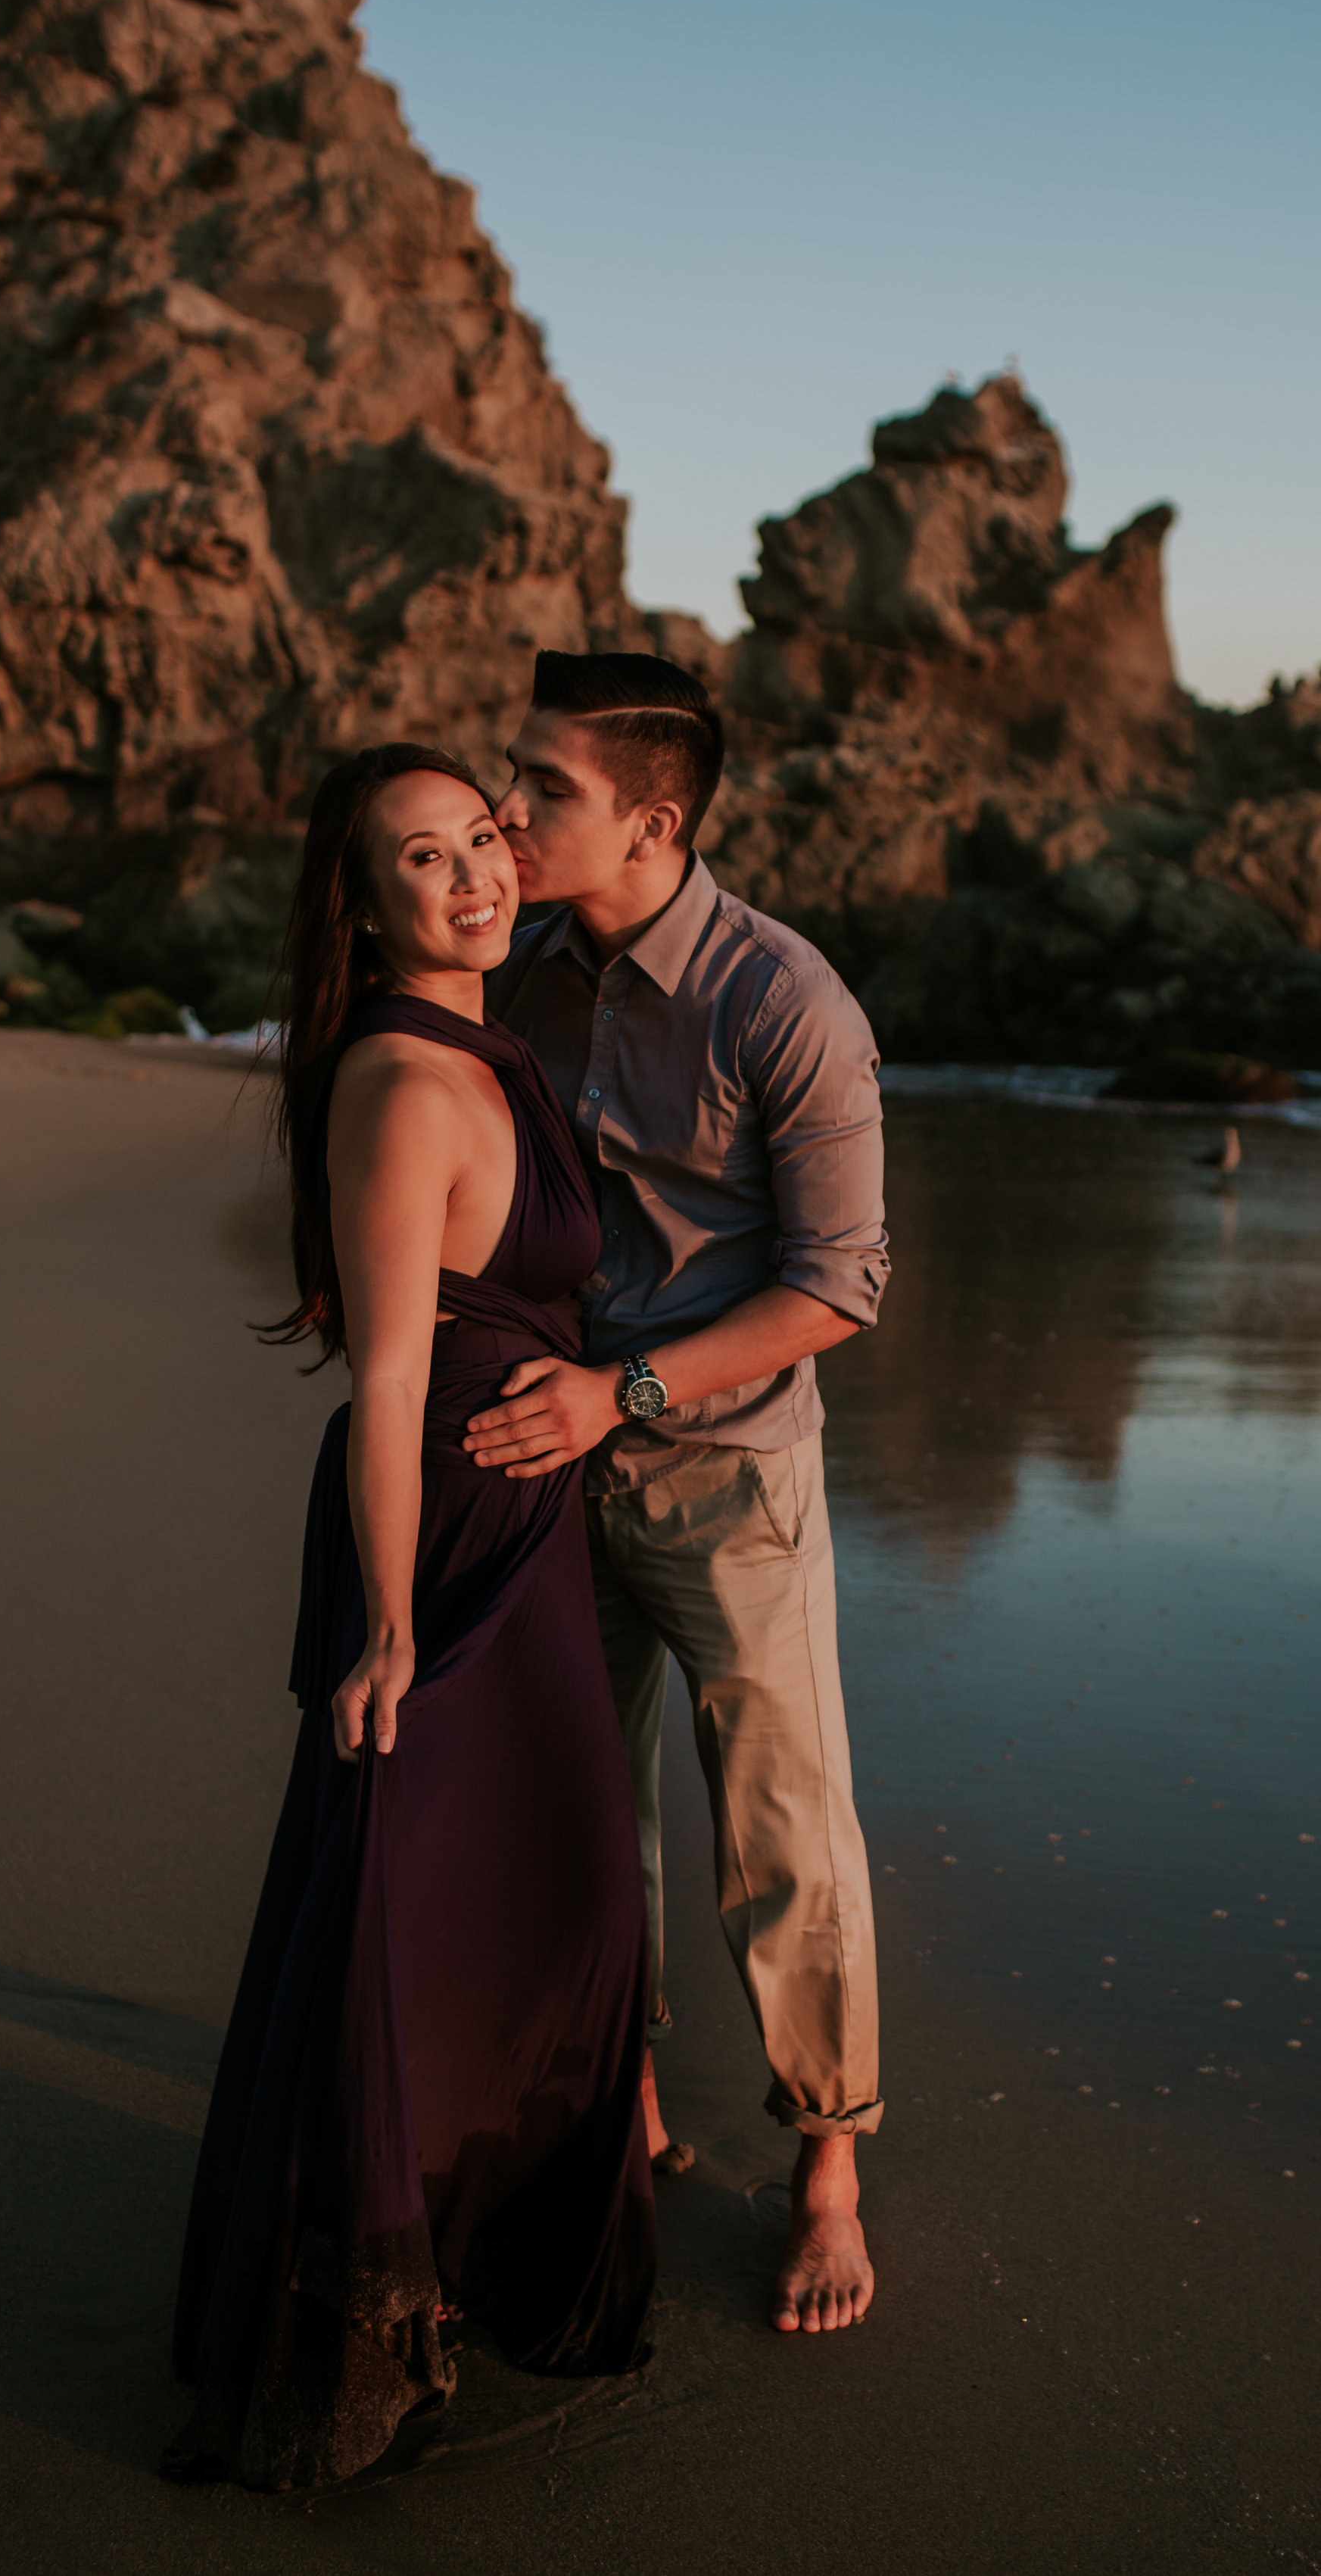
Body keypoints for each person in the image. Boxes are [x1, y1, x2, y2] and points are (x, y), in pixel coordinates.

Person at [164, 744, 655, 2491]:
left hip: (519, 1539)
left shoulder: (488, 1039)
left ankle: (466, 2257)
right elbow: (382, 1379)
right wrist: (384, 1624)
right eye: (421, 861)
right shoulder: (402, 1078)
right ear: (360, 905)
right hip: (441, 1550)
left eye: (481, 844)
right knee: (405, 1921)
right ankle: (362, 2319)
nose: (471, 879)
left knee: (556, 1898)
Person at [468, 650, 888, 2337]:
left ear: (650, 823)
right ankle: (623, 2106)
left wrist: (619, 1391)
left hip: (728, 1482)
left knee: (782, 1835)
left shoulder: (786, 1003)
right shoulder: (528, 975)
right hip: (547, 1470)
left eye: (540, 787)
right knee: (585, 1820)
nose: (507, 809)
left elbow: (842, 1287)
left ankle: (830, 2174)